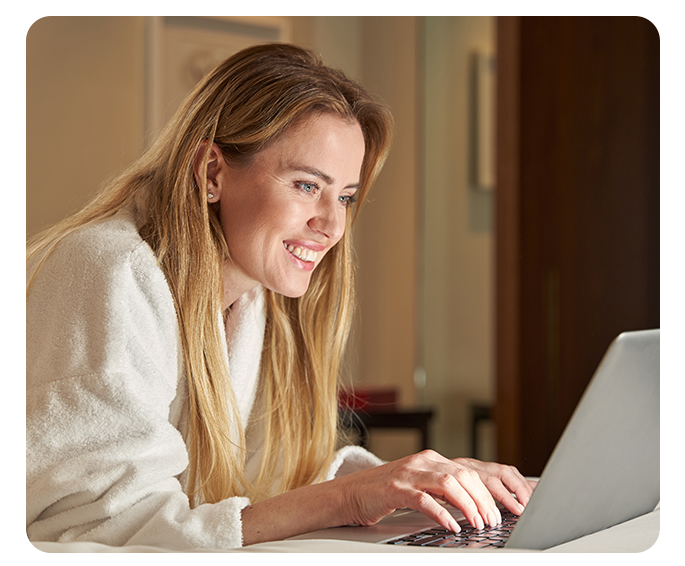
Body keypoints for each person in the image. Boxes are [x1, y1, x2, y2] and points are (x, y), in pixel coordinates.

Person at [26, 43, 534, 550]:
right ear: (212, 173)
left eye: (346, 197)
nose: (333, 226)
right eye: (307, 186)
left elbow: (264, 485)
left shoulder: (248, 296)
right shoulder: (111, 270)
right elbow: (96, 531)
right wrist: (348, 498)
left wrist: (424, 485)